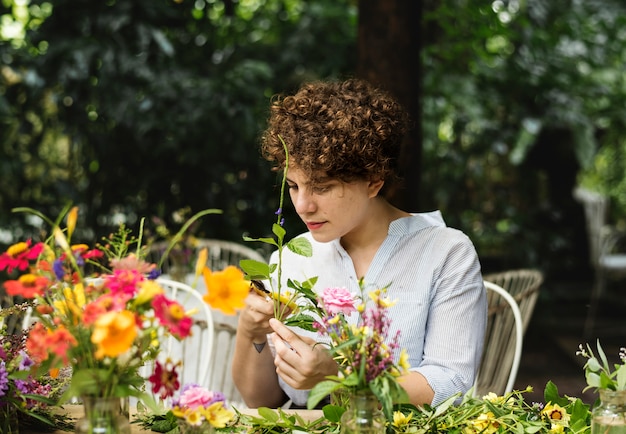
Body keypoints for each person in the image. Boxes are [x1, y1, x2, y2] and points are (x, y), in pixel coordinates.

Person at [231, 78, 487, 409]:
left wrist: (338, 375)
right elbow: (260, 399)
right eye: (293, 185)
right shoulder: (294, 256)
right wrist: (250, 332)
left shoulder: (445, 253)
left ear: (373, 182)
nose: (303, 206)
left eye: (322, 187)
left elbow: (450, 382)